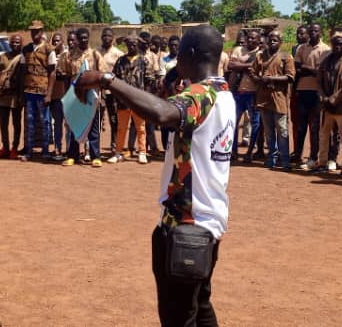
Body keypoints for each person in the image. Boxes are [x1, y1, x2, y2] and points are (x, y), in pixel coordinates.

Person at [74, 24, 234, 326]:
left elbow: (163, 114)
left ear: (191, 54)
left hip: (187, 225)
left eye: (181, 52)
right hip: (209, 221)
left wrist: (107, 80)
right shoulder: (224, 93)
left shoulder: (202, 95)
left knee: (179, 317)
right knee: (200, 305)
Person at [61, 28, 105, 167]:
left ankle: (95, 156)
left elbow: (102, 75)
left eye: (86, 37)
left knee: (93, 126)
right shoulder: (70, 55)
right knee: (74, 125)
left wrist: (100, 95)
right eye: (81, 38)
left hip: (91, 95)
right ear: (77, 39)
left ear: (89, 37)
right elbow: (65, 75)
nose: (84, 40)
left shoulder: (95, 54)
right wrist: (67, 95)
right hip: (75, 96)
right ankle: (72, 156)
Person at [108, 36, 156, 165]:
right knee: (121, 128)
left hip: (138, 101)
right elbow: (114, 80)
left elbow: (149, 81)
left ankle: (142, 152)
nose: (132, 47)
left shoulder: (144, 61)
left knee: (141, 128)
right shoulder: (120, 61)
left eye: (134, 44)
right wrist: (116, 97)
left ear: (138, 45)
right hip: (123, 100)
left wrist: (146, 99)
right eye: (129, 44)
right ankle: (118, 153)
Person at [252, 30, 295, 170]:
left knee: (282, 130)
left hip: (279, 98)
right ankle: (272, 157)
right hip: (264, 98)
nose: (272, 42)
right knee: (269, 131)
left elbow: (290, 77)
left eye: (275, 40)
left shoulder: (286, 57)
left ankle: (285, 159)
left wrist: (272, 79)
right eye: (270, 39)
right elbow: (252, 72)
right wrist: (260, 80)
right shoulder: (260, 56)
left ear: (280, 42)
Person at [317, 32, 342, 173]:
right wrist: (323, 97)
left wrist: (333, 99)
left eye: (341, 44)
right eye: (335, 44)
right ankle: (322, 163)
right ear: (331, 45)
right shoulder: (326, 61)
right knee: (324, 135)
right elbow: (319, 81)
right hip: (327, 107)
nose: (338, 46)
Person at [19, 20, 56, 162]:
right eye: (32, 31)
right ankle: (29, 151)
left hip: (42, 92)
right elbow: (22, 71)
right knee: (29, 122)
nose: (34, 33)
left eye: (37, 31)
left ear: (42, 32)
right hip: (29, 92)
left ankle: (45, 151)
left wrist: (49, 94)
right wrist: (22, 92)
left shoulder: (49, 49)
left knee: (44, 122)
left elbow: (52, 73)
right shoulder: (26, 49)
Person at [293, 23, 329, 167]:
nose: (313, 33)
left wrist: (306, 69)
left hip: (317, 92)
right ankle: (298, 154)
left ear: (321, 32)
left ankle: (313, 157)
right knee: (301, 126)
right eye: (311, 31)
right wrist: (312, 70)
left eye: (316, 30)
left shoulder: (325, 49)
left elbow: (321, 72)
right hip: (302, 90)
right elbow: (296, 68)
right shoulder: (302, 48)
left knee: (315, 127)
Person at [229, 29, 262, 163]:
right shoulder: (238, 50)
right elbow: (231, 65)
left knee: (255, 123)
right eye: (249, 37)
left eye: (253, 38)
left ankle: (249, 152)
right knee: (233, 122)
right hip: (237, 92)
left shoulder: (261, 53)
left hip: (253, 93)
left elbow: (258, 68)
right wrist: (249, 66)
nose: (250, 40)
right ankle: (233, 151)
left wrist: (240, 65)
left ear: (258, 40)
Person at [0, 34, 24, 159]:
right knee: (3, 123)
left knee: (16, 123)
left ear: (21, 44)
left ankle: (14, 148)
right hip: (3, 95)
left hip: (16, 95)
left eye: (18, 42)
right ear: (9, 43)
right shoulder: (2, 57)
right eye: (13, 42)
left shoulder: (23, 58)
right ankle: (5, 147)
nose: (15, 44)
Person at [99, 28, 126, 158]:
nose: (106, 38)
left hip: (113, 91)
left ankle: (115, 146)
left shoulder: (118, 54)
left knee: (114, 119)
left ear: (113, 38)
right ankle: (93, 147)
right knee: (97, 119)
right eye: (104, 36)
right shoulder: (96, 52)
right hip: (99, 90)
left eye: (109, 36)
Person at [48, 32, 72, 161]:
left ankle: (69, 149)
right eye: (54, 41)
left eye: (58, 41)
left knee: (68, 125)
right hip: (56, 95)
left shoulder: (68, 55)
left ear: (62, 42)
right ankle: (57, 148)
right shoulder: (51, 56)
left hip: (67, 95)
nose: (56, 43)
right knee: (57, 124)